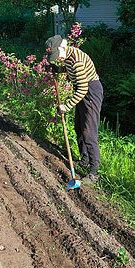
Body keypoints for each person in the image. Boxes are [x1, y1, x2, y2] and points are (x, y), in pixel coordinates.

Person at [45, 34, 103, 184]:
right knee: (79, 128)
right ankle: (84, 160)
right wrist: (57, 69)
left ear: (63, 47)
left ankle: (95, 172)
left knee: (89, 132)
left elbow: (83, 89)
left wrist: (66, 106)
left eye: (57, 55)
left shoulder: (76, 60)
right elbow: (68, 68)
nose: (57, 58)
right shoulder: (68, 57)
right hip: (82, 89)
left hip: (90, 91)